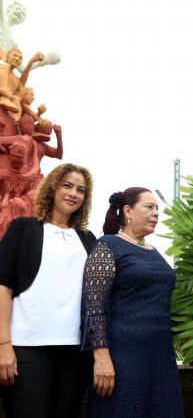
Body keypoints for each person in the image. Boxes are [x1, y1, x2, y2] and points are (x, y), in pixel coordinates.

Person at [0, 162, 96, 418]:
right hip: (26, 347)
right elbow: (3, 286)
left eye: (81, 190)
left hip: (75, 351)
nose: (73, 193)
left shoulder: (88, 238)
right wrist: (3, 344)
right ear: (52, 188)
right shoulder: (22, 228)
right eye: (67, 186)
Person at [81, 187, 184, 418]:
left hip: (160, 358)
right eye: (149, 207)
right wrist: (101, 358)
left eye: (157, 208)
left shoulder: (154, 251)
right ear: (128, 210)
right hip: (121, 359)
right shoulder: (107, 246)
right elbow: (94, 307)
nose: (156, 213)